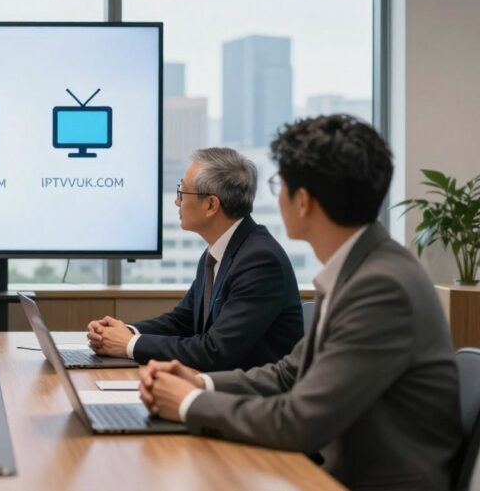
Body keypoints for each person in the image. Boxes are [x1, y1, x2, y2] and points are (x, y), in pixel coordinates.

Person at [141, 115, 462, 489]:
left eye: (280, 184)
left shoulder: (381, 287)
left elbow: (301, 421)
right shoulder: (358, 268)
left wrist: (188, 403)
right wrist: (199, 382)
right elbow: (289, 373)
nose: (275, 197)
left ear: (304, 201)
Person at [87, 147, 303, 371]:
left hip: (253, 398)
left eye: (182, 192)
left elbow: (215, 351)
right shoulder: (219, 251)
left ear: (210, 205)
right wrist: (125, 331)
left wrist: (129, 344)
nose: (177, 203)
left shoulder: (259, 261)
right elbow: (183, 320)